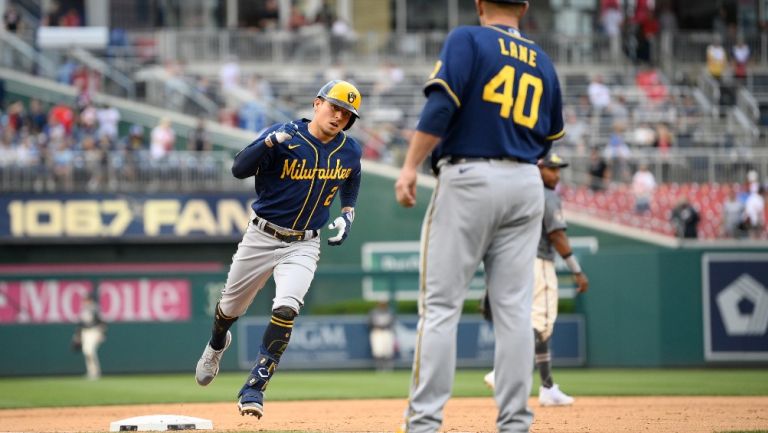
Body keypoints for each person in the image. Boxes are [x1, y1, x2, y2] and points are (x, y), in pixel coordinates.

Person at [393, 1, 565, 431]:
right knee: (513, 312)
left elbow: (439, 108)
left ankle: (424, 423)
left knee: (440, 308)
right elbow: (549, 138)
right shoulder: (542, 60)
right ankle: (515, 423)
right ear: (524, 7)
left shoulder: (467, 38)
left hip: (469, 176)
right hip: (527, 183)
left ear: (479, 3)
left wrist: (410, 165)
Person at [194, 80, 363, 419]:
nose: (339, 116)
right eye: (334, 107)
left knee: (286, 309)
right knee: (229, 308)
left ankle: (255, 387)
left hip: (304, 242)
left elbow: (352, 176)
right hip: (262, 236)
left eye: (347, 114)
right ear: (317, 104)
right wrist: (268, 143)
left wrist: (348, 211)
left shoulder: (349, 149)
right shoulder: (284, 134)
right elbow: (239, 169)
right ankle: (216, 344)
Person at [482, 152, 589, 406]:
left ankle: (547, 386)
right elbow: (557, 236)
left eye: (558, 169)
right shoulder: (547, 195)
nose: (557, 174)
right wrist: (577, 270)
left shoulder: (518, 192)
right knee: (540, 322)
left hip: (517, 261)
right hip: (539, 262)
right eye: (552, 169)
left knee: (533, 324)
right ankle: (503, 373)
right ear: (539, 169)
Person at [76, 295, 106, 380]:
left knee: (90, 351)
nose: (85, 302)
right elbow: (80, 324)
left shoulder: (95, 309)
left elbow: (102, 322)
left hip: (94, 331)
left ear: (90, 300)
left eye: (86, 300)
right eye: (84, 300)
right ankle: (91, 372)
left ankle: (95, 372)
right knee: (86, 351)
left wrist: (102, 334)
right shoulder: (83, 310)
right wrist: (77, 336)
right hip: (85, 332)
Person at [369, 300, 396, 372]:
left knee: (388, 351)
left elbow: (392, 322)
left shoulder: (389, 312)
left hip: (387, 331)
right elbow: (370, 322)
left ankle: (388, 368)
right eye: (381, 303)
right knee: (378, 351)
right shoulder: (374, 312)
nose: (382, 305)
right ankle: (379, 368)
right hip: (377, 331)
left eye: (384, 303)